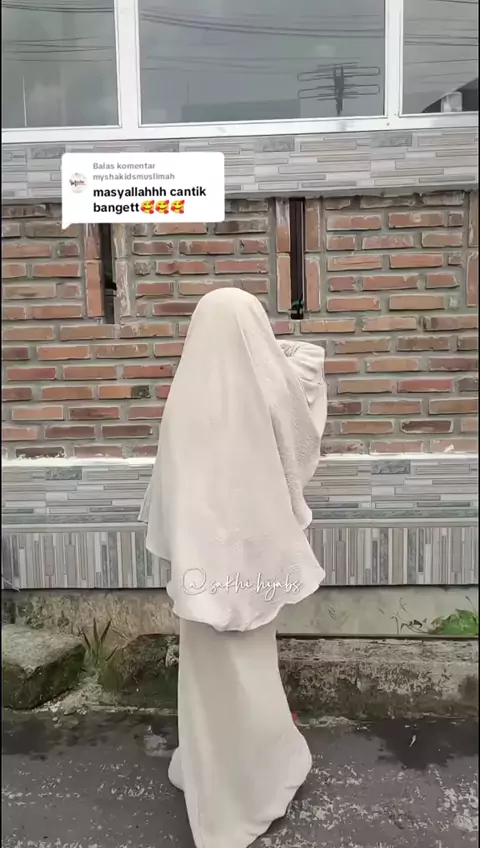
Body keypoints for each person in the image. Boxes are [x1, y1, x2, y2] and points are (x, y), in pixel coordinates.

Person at [139, 287, 327, 848]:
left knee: (211, 680)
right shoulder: (262, 396)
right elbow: (300, 430)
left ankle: (212, 775)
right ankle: (251, 788)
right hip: (249, 564)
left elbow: (174, 490)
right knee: (247, 674)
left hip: (203, 568)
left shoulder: (185, 401)